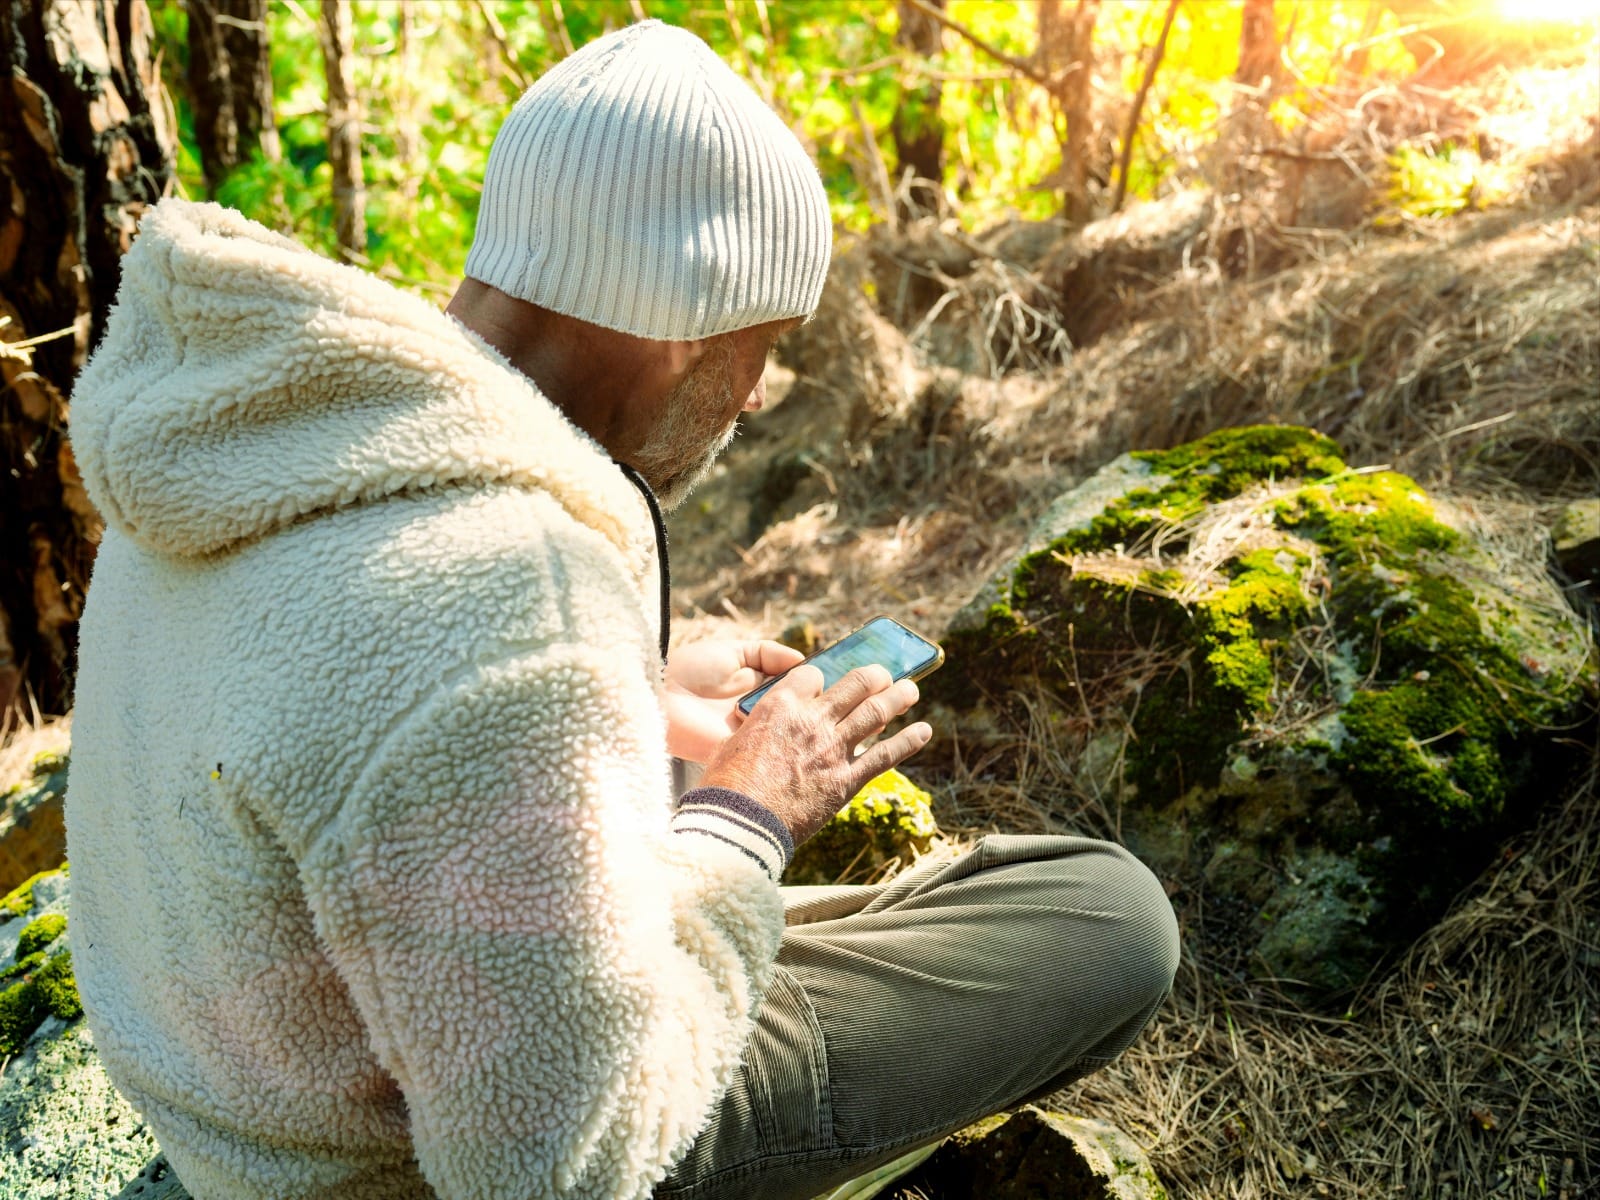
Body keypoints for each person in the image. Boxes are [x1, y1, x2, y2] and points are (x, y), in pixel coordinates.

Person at [66, 20, 1179, 1200]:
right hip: (411, 1164)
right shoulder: (502, 587)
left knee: (975, 892)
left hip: (253, 1099)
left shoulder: (254, 439)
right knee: (1104, 917)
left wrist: (622, 706)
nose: (755, 393)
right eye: (759, 345)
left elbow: (327, 722)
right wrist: (749, 815)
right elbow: (559, 1162)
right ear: (679, 325)